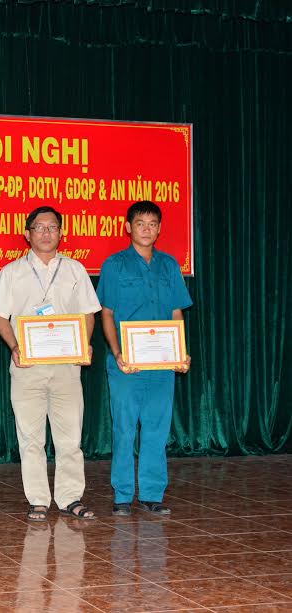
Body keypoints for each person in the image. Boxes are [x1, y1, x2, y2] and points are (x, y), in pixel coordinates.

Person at [0, 206, 101, 522]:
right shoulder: (12, 271)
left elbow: (88, 314)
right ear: (28, 234)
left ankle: (70, 497)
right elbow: (0, 317)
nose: (46, 233)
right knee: (30, 438)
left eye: (53, 227)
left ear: (61, 233)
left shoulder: (75, 269)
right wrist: (14, 347)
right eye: (39, 227)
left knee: (70, 438)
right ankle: (38, 499)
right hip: (27, 367)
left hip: (67, 366)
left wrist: (84, 344)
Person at [97, 200, 192, 517]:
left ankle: (152, 493)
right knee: (124, 430)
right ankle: (123, 495)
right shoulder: (114, 265)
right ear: (128, 227)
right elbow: (107, 314)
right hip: (127, 363)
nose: (146, 229)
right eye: (140, 223)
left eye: (152, 224)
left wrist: (180, 352)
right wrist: (117, 352)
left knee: (156, 429)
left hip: (162, 364)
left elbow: (176, 312)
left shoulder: (169, 265)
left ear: (160, 228)